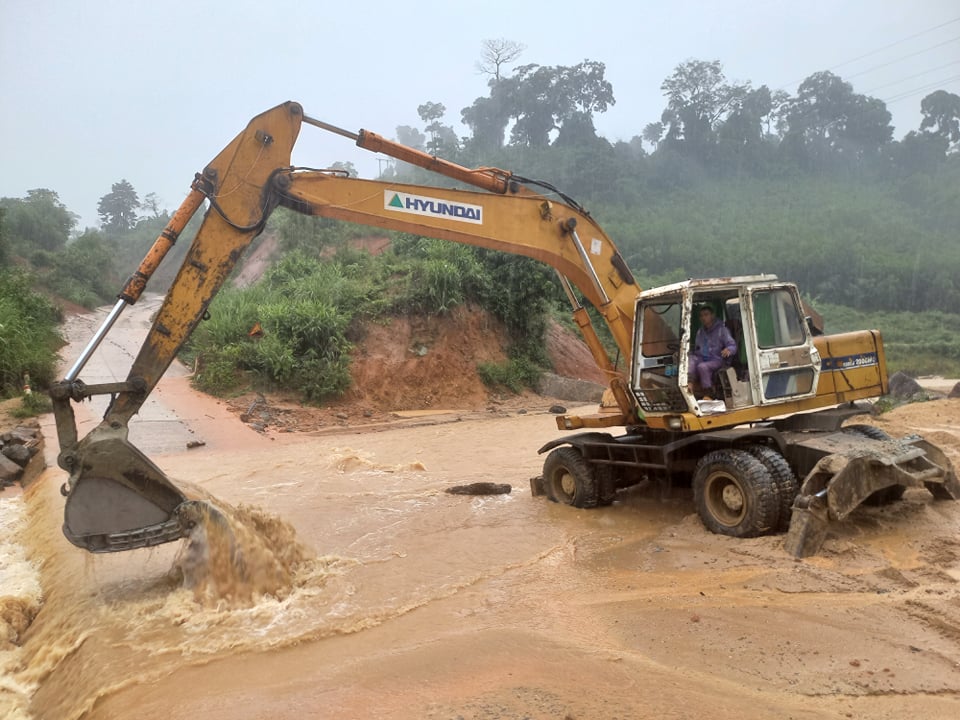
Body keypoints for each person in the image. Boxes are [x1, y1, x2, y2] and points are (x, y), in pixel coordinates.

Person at [688, 305, 737, 395]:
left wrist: (728, 350)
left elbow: (732, 345)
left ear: (712, 316)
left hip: (717, 359)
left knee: (702, 367)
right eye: (701, 315)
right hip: (702, 358)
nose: (703, 318)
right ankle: (689, 383)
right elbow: (697, 349)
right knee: (690, 359)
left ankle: (708, 393)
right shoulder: (700, 332)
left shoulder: (722, 330)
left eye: (706, 315)